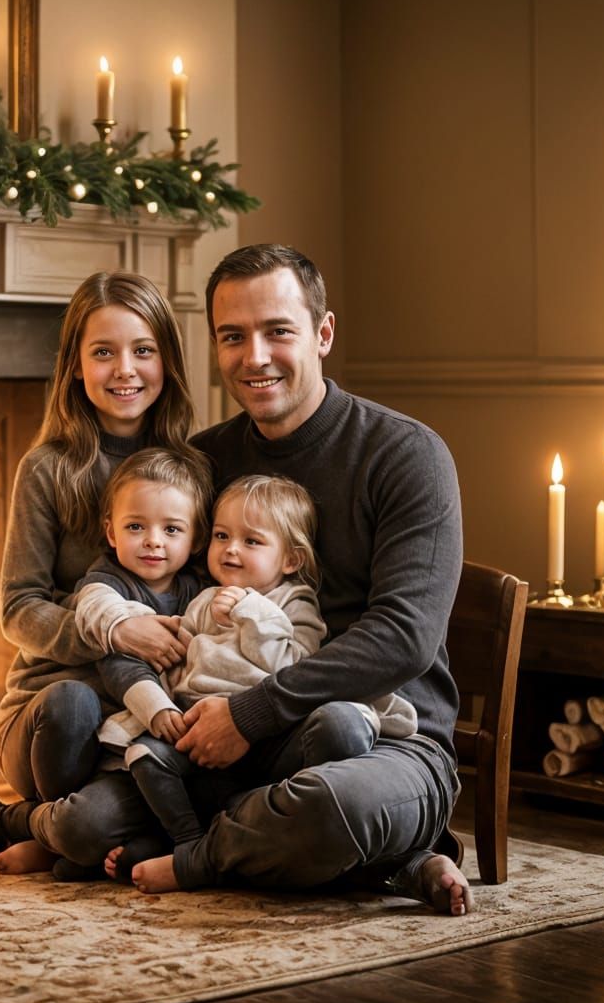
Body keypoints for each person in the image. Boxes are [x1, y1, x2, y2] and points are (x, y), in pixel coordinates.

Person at [25, 244, 473, 915]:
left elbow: (404, 637)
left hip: (379, 742)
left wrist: (251, 713)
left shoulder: (406, 454)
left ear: (323, 333)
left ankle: (201, 857)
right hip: (214, 745)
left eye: (278, 331)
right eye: (233, 337)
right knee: (87, 824)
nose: (254, 356)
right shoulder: (204, 461)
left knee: (332, 807)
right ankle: (382, 860)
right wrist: (124, 631)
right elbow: (148, 587)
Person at [0, 270, 199, 870]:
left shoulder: (193, 468)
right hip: (51, 721)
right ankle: (49, 822)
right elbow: (18, 609)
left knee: (97, 825)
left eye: (143, 350)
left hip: (142, 722)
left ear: (167, 361)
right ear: (74, 365)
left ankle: (21, 826)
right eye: (103, 352)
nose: (125, 369)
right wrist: (115, 630)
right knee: (73, 702)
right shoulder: (47, 469)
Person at [77, 472, 417, 882]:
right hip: (200, 737)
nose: (231, 549)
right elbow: (178, 662)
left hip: (272, 738)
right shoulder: (203, 600)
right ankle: (186, 839)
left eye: (251, 541)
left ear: (291, 560)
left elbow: (292, 664)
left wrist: (250, 611)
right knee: (144, 757)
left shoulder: (295, 602)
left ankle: (212, 847)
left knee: (340, 725)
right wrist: (163, 706)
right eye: (222, 536)